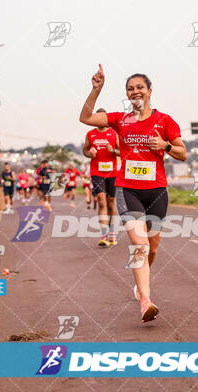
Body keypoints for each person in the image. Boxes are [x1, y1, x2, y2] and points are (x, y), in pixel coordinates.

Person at [79, 65, 187, 322]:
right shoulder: (120, 119)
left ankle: (141, 285)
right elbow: (85, 118)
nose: (135, 91)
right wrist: (96, 90)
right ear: (127, 95)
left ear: (149, 91)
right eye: (130, 88)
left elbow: (182, 153)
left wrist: (165, 145)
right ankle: (146, 301)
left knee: (153, 247)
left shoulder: (165, 121)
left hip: (157, 191)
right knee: (139, 244)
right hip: (128, 190)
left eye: (140, 87)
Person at [83, 107, 120, 247]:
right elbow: (85, 150)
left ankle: (112, 233)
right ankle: (104, 235)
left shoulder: (113, 133)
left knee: (111, 204)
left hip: (112, 173)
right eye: (97, 117)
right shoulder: (90, 134)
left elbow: (122, 152)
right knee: (102, 202)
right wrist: (89, 152)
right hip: (97, 172)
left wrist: (114, 150)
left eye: (102, 117)